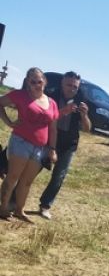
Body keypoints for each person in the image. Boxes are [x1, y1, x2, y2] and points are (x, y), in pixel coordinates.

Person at [0, 67, 58, 223]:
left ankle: (20, 210)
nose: (37, 85)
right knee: (13, 177)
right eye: (33, 82)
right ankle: (3, 208)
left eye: (39, 81)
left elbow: (52, 128)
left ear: (44, 82)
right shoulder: (20, 95)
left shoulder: (51, 102)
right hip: (21, 142)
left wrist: (52, 149)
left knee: (27, 181)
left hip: (40, 147)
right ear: (27, 82)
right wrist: (9, 122)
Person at [38, 71, 91, 220]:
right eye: (69, 85)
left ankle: (45, 205)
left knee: (59, 176)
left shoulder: (81, 100)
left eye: (75, 86)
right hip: (48, 138)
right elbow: (44, 118)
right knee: (34, 168)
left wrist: (84, 115)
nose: (72, 89)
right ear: (62, 83)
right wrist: (63, 111)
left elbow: (87, 128)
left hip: (69, 143)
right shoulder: (51, 96)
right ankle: (14, 200)